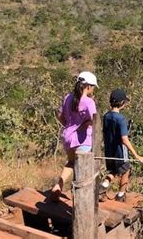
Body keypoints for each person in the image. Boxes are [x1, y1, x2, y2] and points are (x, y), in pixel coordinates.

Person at [51, 71, 98, 202]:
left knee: (71, 163)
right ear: (88, 86)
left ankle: (58, 185)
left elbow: (60, 115)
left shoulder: (68, 97)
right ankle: (79, 199)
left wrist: (69, 126)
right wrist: (84, 124)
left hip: (67, 137)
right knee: (82, 169)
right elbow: (95, 120)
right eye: (93, 86)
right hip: (83, 139)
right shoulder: (89, 102)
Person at [101, 89, 143, 202]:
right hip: (120, 150)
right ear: (121, 103)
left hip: (109, 150)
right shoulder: (121, 119)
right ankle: (121, 194)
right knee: (126, 169)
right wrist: (136, 155)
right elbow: (124, 139)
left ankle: (105, 184)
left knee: (114, 170)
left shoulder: (106, 116)